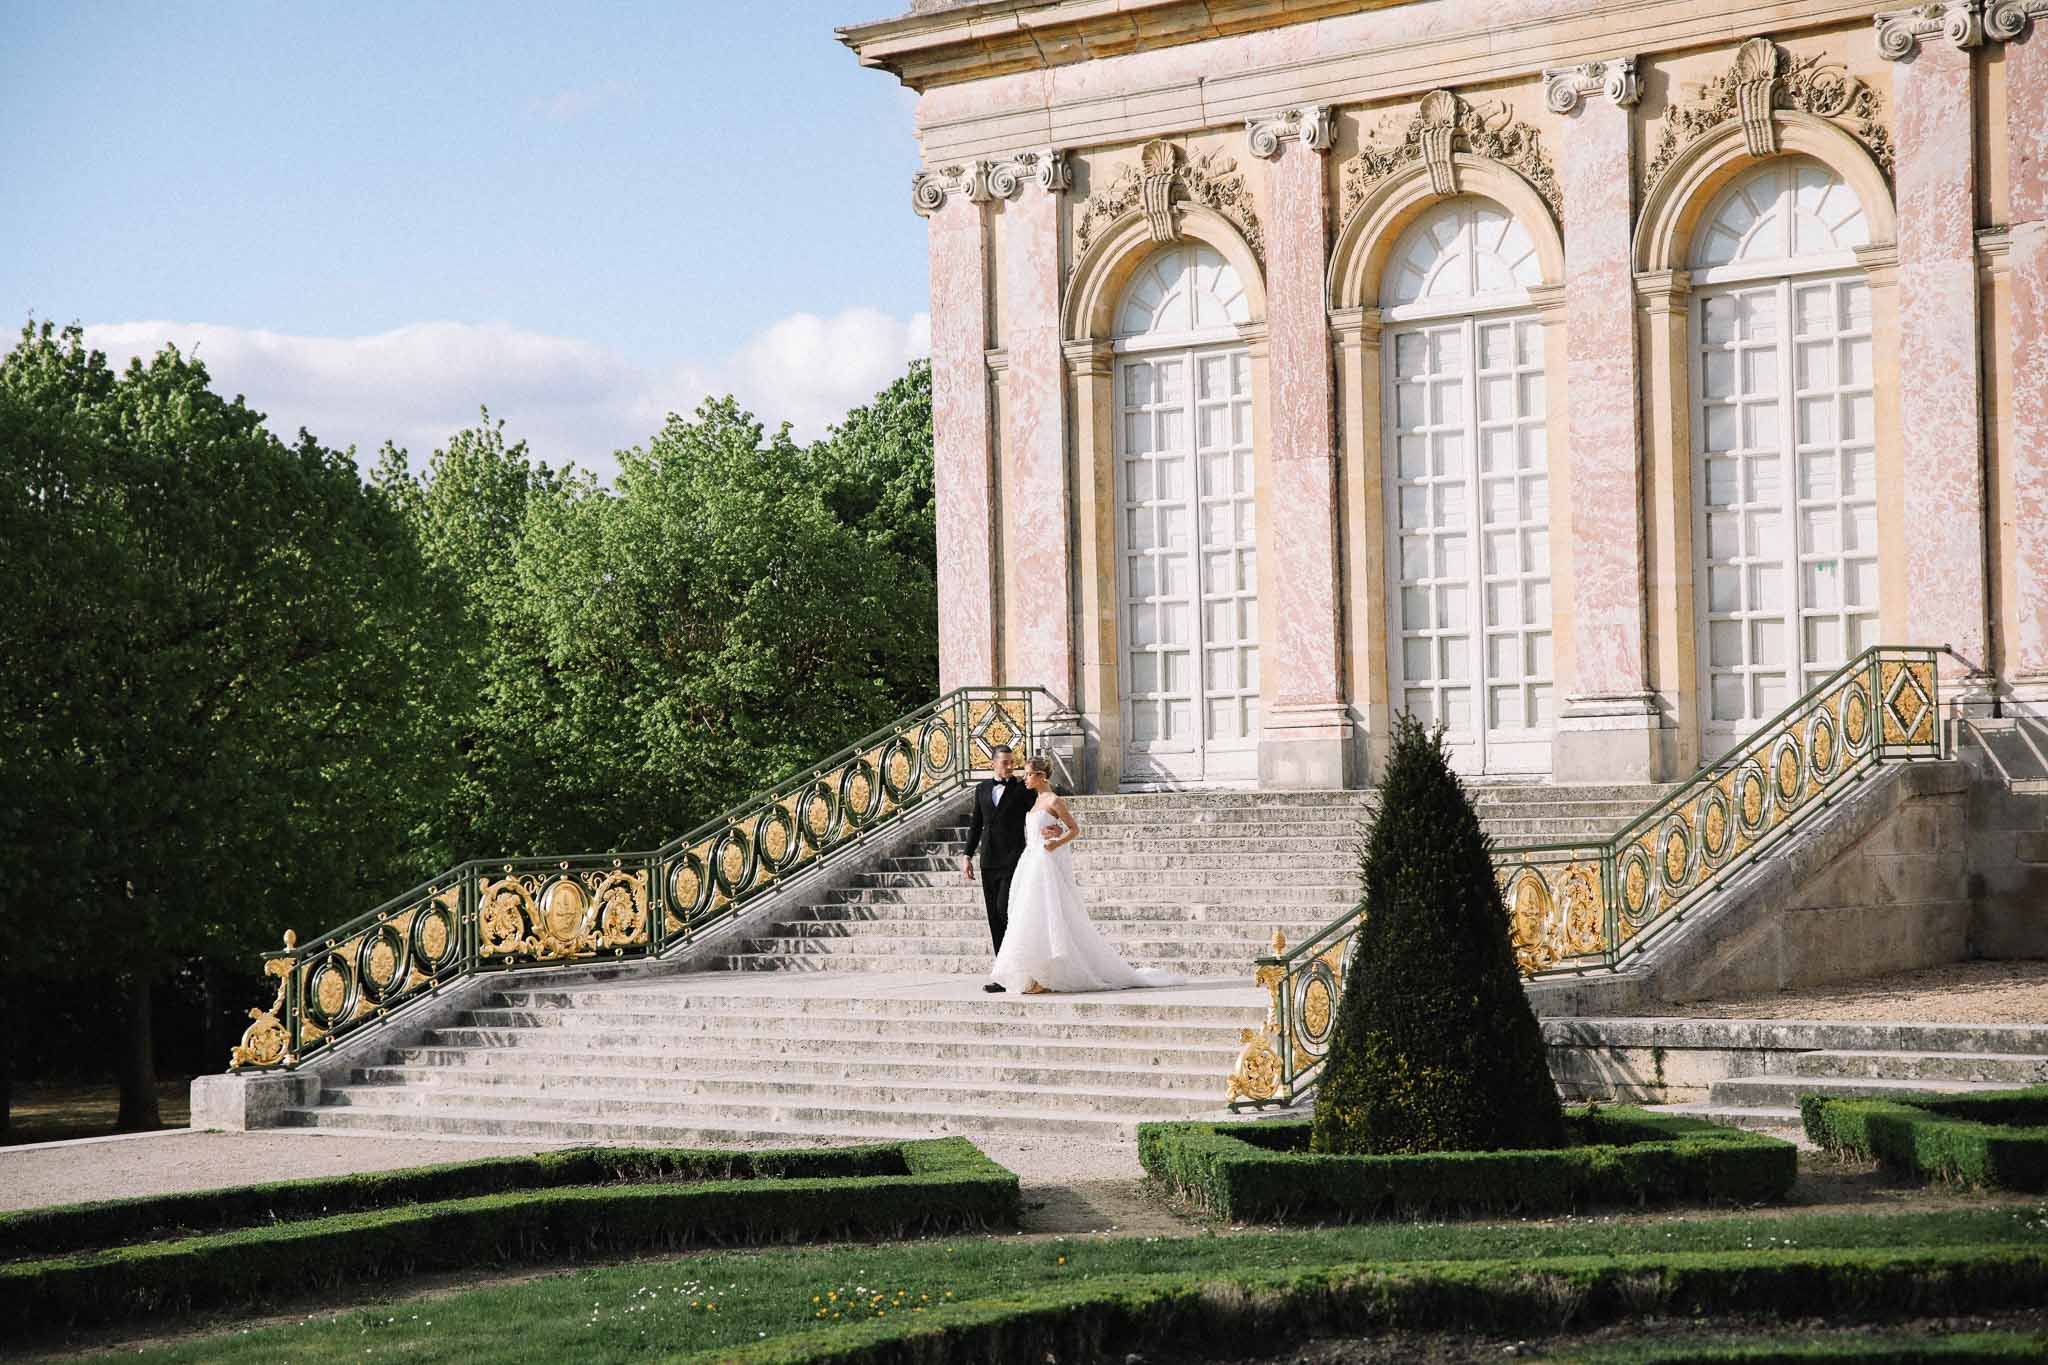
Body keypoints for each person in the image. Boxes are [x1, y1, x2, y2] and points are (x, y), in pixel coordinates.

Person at [990, 755, 1186, 995]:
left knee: (1044, 914)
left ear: (1041, 776)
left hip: (1044, 861)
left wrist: (1056, 841)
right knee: (1028, 914)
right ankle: (1035, 973)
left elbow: (1075, 829)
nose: (1024, 778)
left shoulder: (1054, 799)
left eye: (1028, 774)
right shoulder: (1035, 799)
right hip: (1029, 862)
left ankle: (1046, 974)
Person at [962, 743, 1031, 993]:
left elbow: (1041, 807)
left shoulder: (1022, 788)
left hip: (1014, 858)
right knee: (994, 916)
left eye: (1012, 762)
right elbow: (975, 825)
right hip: (988, 860)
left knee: (1005, 910)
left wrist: (1053, 825)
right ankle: (1002, 975)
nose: (1010, 766)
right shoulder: (981, 789)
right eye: (1005, 762)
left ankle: (1019, 968)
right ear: (993, 763)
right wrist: (967, 854)